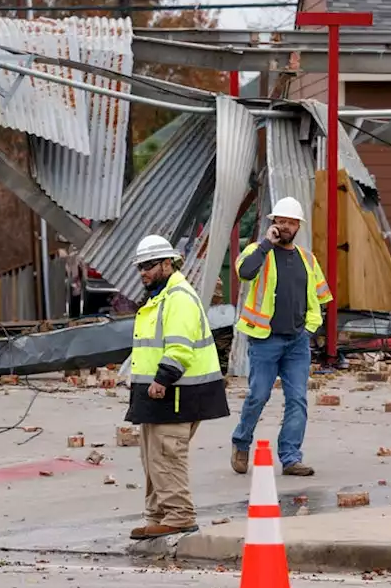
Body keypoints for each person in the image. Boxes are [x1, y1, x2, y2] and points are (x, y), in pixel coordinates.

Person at [125, 234, 229, 540]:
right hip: (158, 394)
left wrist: (162, 379)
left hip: (176, 392)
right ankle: (159, 514)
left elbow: (180, 348)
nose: (143, 271)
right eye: (140, 266)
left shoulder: (179, 298)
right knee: (153, 456)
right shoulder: (161, 297)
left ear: (168, 263)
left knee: (167, 454)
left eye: (149, 265)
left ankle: (179, 515)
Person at [230, 197, 333, 478]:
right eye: (281, 221)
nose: (285, 227)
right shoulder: (257, 251)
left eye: (290, 222)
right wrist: (266, 244)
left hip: (297, 342)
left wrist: (311, 329)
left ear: (298, 225)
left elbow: (321, 297)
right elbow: (245, 272)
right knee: (258, 396)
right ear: (273, 223)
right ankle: (241, 442)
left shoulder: (307, 259)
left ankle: (290, 457)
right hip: (265, 340)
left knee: (298, 399)